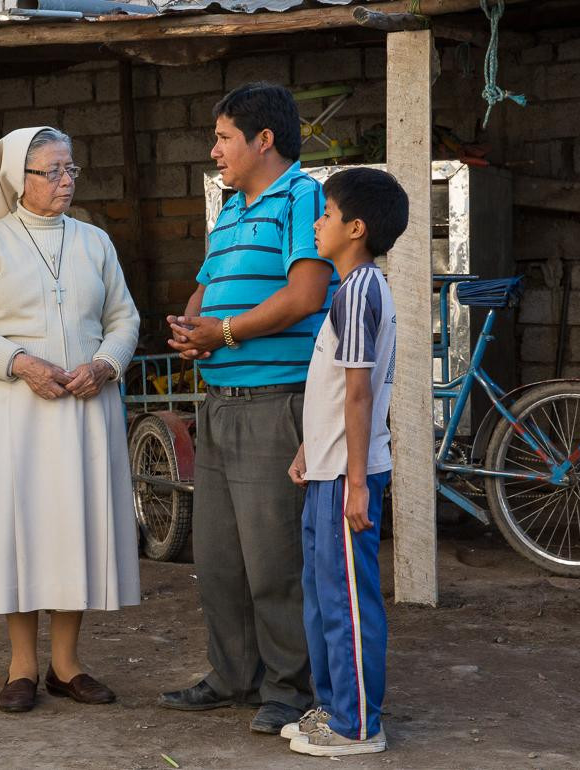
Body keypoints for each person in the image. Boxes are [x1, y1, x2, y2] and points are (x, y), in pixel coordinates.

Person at [0, 126, 141, 713]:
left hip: (84, 406)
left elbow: (124, 317)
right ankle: (22, 665)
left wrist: (104, 363)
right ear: (16, 180)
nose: (65, 181)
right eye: (51, 171)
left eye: (70, 169)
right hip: (13, 411)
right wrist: (20, 363)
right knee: (19, 529)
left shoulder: (96, 242)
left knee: (71, 526)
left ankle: (67, 665)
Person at [160, 82, 334, 735]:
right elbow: (207, 287)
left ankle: (288, 689)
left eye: (224, 138)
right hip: (220, 401)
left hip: (273, 402)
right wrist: (190, 326)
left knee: (273, 561)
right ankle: (233, 676)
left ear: (263, 139)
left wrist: (224, 334)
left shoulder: (303, 197)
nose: (214, 151)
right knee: (221, 557)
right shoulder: (232, 208)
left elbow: (305, 295)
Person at [283, 168, 406, 758]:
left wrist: (356, 482)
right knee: (322, 594)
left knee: (349, 603)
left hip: (347, 478)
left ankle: (359, 726)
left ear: (355, 228)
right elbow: (332, 389)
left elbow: (360, 394)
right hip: (328, 469)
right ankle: (332, 707)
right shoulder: (348, 289)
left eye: (326, 214)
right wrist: (312, 448)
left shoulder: (360, 292)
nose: (316, 223)